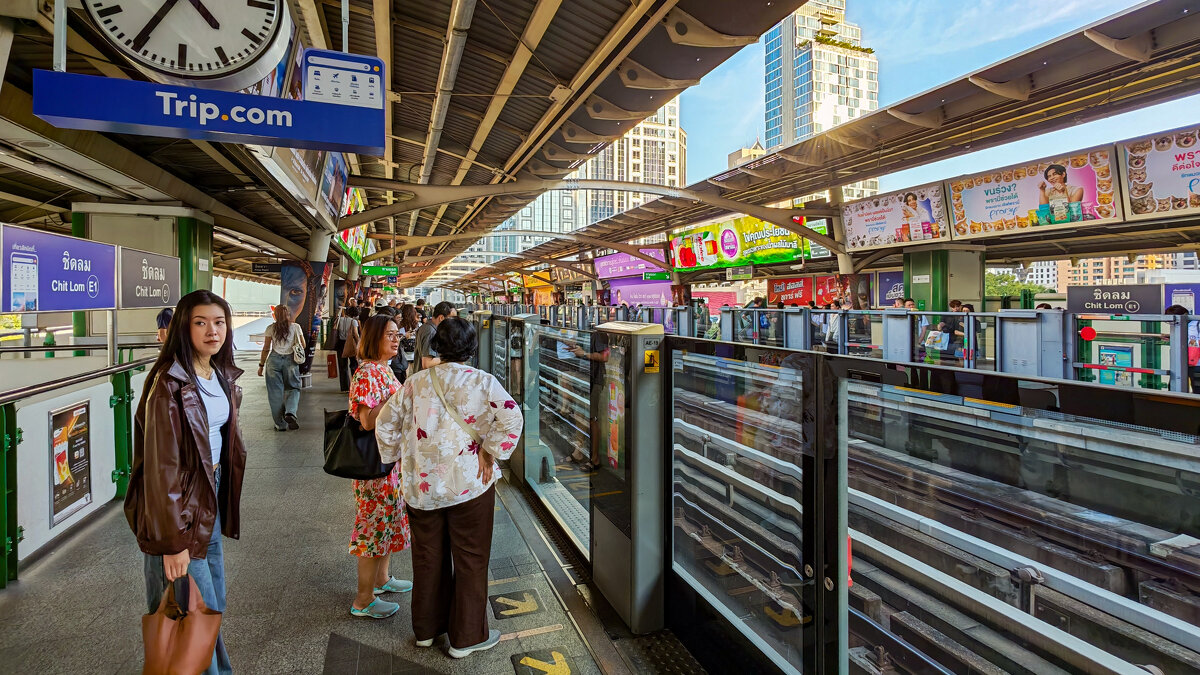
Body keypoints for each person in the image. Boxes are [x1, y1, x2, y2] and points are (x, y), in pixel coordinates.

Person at [375, 318, 523, 657]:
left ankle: (426, 631)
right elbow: (512, 417)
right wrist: (491, 450)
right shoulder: (484, 382)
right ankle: (466, 638)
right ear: (471, 349)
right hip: (470, 484)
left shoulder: (416, 382)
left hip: (422, 487)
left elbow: (385, 422)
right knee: (470, 558)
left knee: (427, 557)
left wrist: (397, 458)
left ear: (437, 347)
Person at [125, 290, 246, 675]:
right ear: (183, 327)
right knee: (194, 609)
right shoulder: (168, 384)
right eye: (200, 323)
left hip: (206, 501)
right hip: (180, 511)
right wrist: (172, 542)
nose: (213, 331)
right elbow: (161, 470)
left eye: (219, 322)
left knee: (210, 605)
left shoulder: (217, 373)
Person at [347, 314, 413, 619]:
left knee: (388, 521)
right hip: (374, 465)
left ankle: (382, 580)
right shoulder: (368, 373)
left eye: (398, 335)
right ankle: (363, 599)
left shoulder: (383, 370)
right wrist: (398, 398)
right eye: (390, 334)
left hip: (389, 461)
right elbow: (366, 420)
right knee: (373, 528)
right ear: (374, 338)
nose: (396, 340)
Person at [258, 305, 304, 431]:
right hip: (290, 361)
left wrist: (261, 365)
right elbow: (303, 345)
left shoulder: (270, 328)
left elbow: (266, 348)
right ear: (287, 314)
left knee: (275, 393)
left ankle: (280, 424)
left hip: (274, 361)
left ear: (275, 315)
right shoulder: (296, 327)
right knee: (293, 388)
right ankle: (290, 412)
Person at [414, 302, 457, 374]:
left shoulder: (427, 327)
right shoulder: (431, 332)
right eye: (452, 318)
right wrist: (449, 358)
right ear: (441, 318)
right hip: (427, 379)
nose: (453, 322)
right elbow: (427, 363)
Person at [1165, 304, 1200, 393]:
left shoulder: (1197, 324)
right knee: (1173, 388)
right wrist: (1171, 337)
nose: (1170, 323)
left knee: (1197, 389)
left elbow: (1193, 341)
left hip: (1196, 363)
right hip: (1180, 362)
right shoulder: (1176, 326)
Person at [335, 306, 361, 392]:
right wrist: (359, 344)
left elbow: (335, 329)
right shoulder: (354, 322)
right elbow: (355, 334)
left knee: (342, 366)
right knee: (354, 365)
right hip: (350, 344)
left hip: (340, 344)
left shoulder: (340, 320)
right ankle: (354, 386)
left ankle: (344, 387)